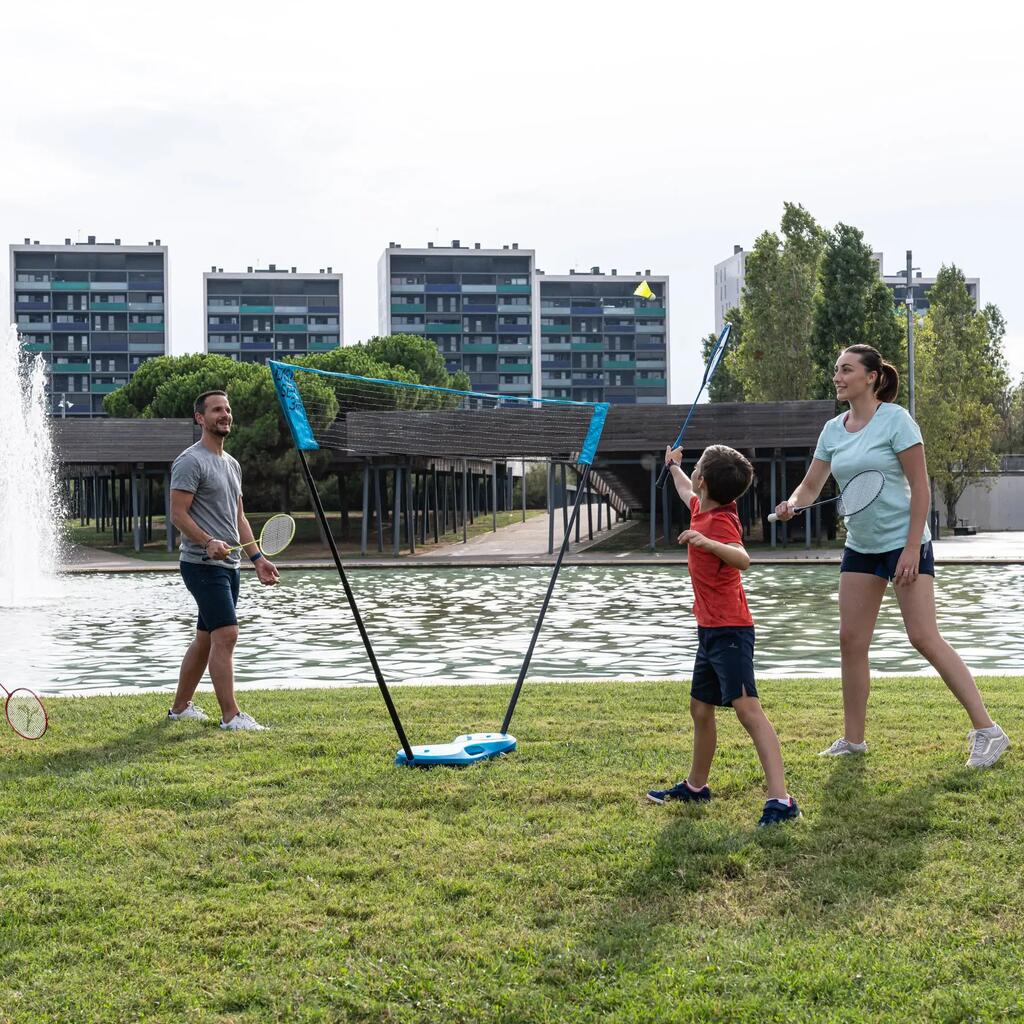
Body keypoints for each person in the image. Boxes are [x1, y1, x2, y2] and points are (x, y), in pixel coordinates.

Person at [774, 344, 1009, 768]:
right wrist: (792, 502)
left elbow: (921, 487)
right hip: (860, 547)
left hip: (905, 543)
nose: (838, 377)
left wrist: (910, 548)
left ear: (871, 377)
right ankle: (853, 740)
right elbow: (811, 486)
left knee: (922, 637)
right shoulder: (832, 430)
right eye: (835, 370)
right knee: (851, 642)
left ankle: (988, 731)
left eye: (846, 370)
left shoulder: (896, 421)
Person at [647, 444, 800, 827]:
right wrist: (675, 466)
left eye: (695, 468)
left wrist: (706, 543)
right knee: (700, 708)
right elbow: (684, 490)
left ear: (706, 481)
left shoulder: (722, 522)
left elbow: (742, 558)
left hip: (732, 631)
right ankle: (697, 787)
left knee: (748, 711)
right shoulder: (701, 504)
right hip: (710, 630)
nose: (692, 475)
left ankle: (781, 799)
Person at [167, 390, 279, 731]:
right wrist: (207, 541)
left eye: (228, 409)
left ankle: (180, 709)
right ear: (200, 418)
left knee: (206, 639)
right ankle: (231, 716)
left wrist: (257, 558)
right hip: (201, 564)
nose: (225, 414)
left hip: (229, 566)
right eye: (217, 410)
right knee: (227, 633)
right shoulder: (190, 461)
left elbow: (239, 519)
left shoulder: (232, 465)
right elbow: (177, 514)